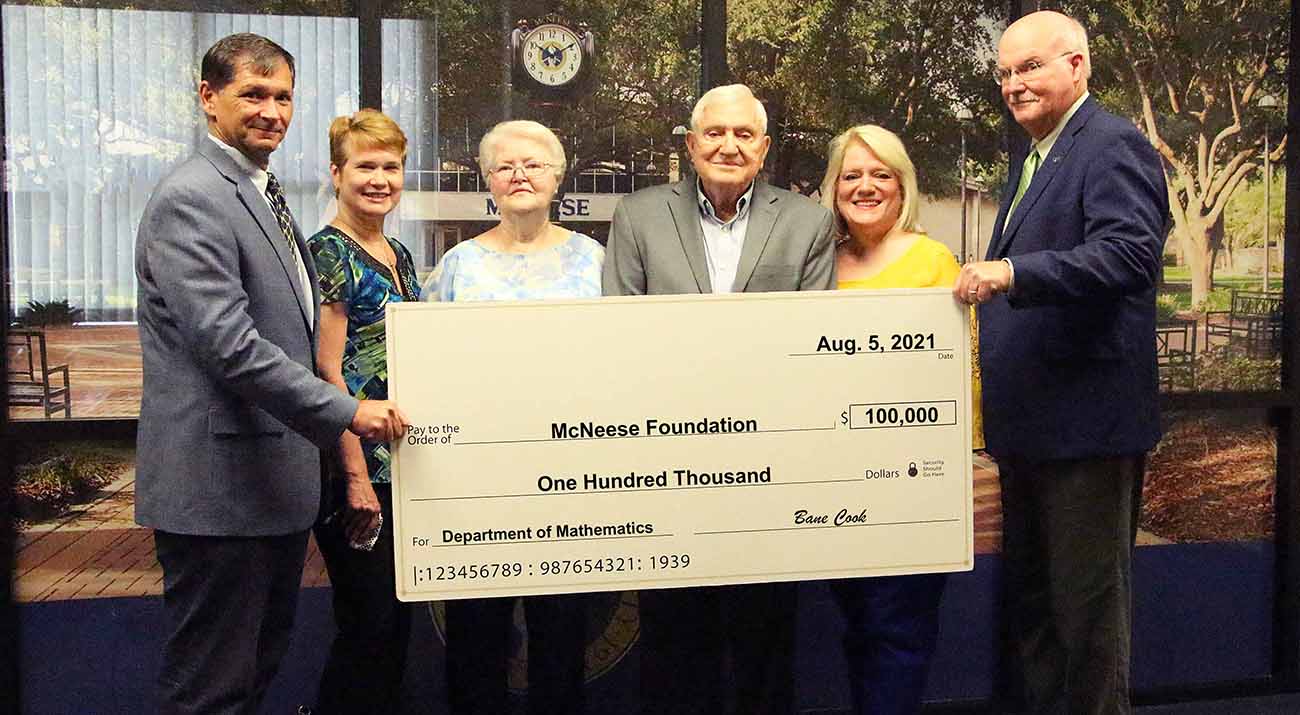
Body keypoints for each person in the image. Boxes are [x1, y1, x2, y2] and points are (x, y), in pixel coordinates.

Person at [133, 34, 408, 715]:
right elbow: (228, 345)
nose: (271, 111)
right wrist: (348, 412)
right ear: (208, 97)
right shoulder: (192, 196)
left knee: (250, 677)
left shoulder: (259, 190)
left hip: (269, 489)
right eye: (251, 94)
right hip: (219, 492)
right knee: (211, 690)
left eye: (282, 95)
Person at [952, 10, 1167, 714]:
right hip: (1032, 434)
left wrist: (1011, 272)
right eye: (1005, 73)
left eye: (1030, 67)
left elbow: (1129, 254)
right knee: (1039, 623)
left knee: (1088, 629)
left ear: (1078, 64)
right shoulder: (1036, 157)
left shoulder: (1110, 144)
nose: (1014, 85)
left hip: (1087, 434)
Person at [603, 83, 835, 715]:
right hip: (666, 463)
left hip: (769, 468)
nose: (728, 146)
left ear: (763, 149)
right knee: (675, 644)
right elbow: (617, 332)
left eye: (743, 135)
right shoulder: (639, 215)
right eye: (714, 133)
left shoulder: (809, 220)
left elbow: (811, 345)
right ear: (689, 144)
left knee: (766, 643)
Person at [423, 119, 601, 715]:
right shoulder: (457, 266)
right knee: (476, 639)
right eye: (504, 166)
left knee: (563, 639)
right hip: (478, 487)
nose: (519, 174)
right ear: (487, 181)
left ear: (558, 176)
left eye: (534, 163)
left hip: (571, 483)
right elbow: (427, 373)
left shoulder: (598, 263)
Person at [818, 124, 954, 714]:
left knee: (898, 629)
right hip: (835, 478)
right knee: (858, 623)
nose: (865, 186)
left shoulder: (934, 261)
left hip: (911, 481)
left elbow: (966, 373)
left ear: (903, 188)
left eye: (881, 175)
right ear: (834, 187)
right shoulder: (818, 263)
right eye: (851, 175)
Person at [308, 109, 419, 714]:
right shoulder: (328, 253)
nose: (379, 178)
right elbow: (327, 373)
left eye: (391, 166)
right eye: (365, 166)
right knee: (368, 628)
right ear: (336, 173)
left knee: (394, 629)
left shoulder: (396, 248)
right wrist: (354, 477)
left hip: (397, 465)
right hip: (356, 472)